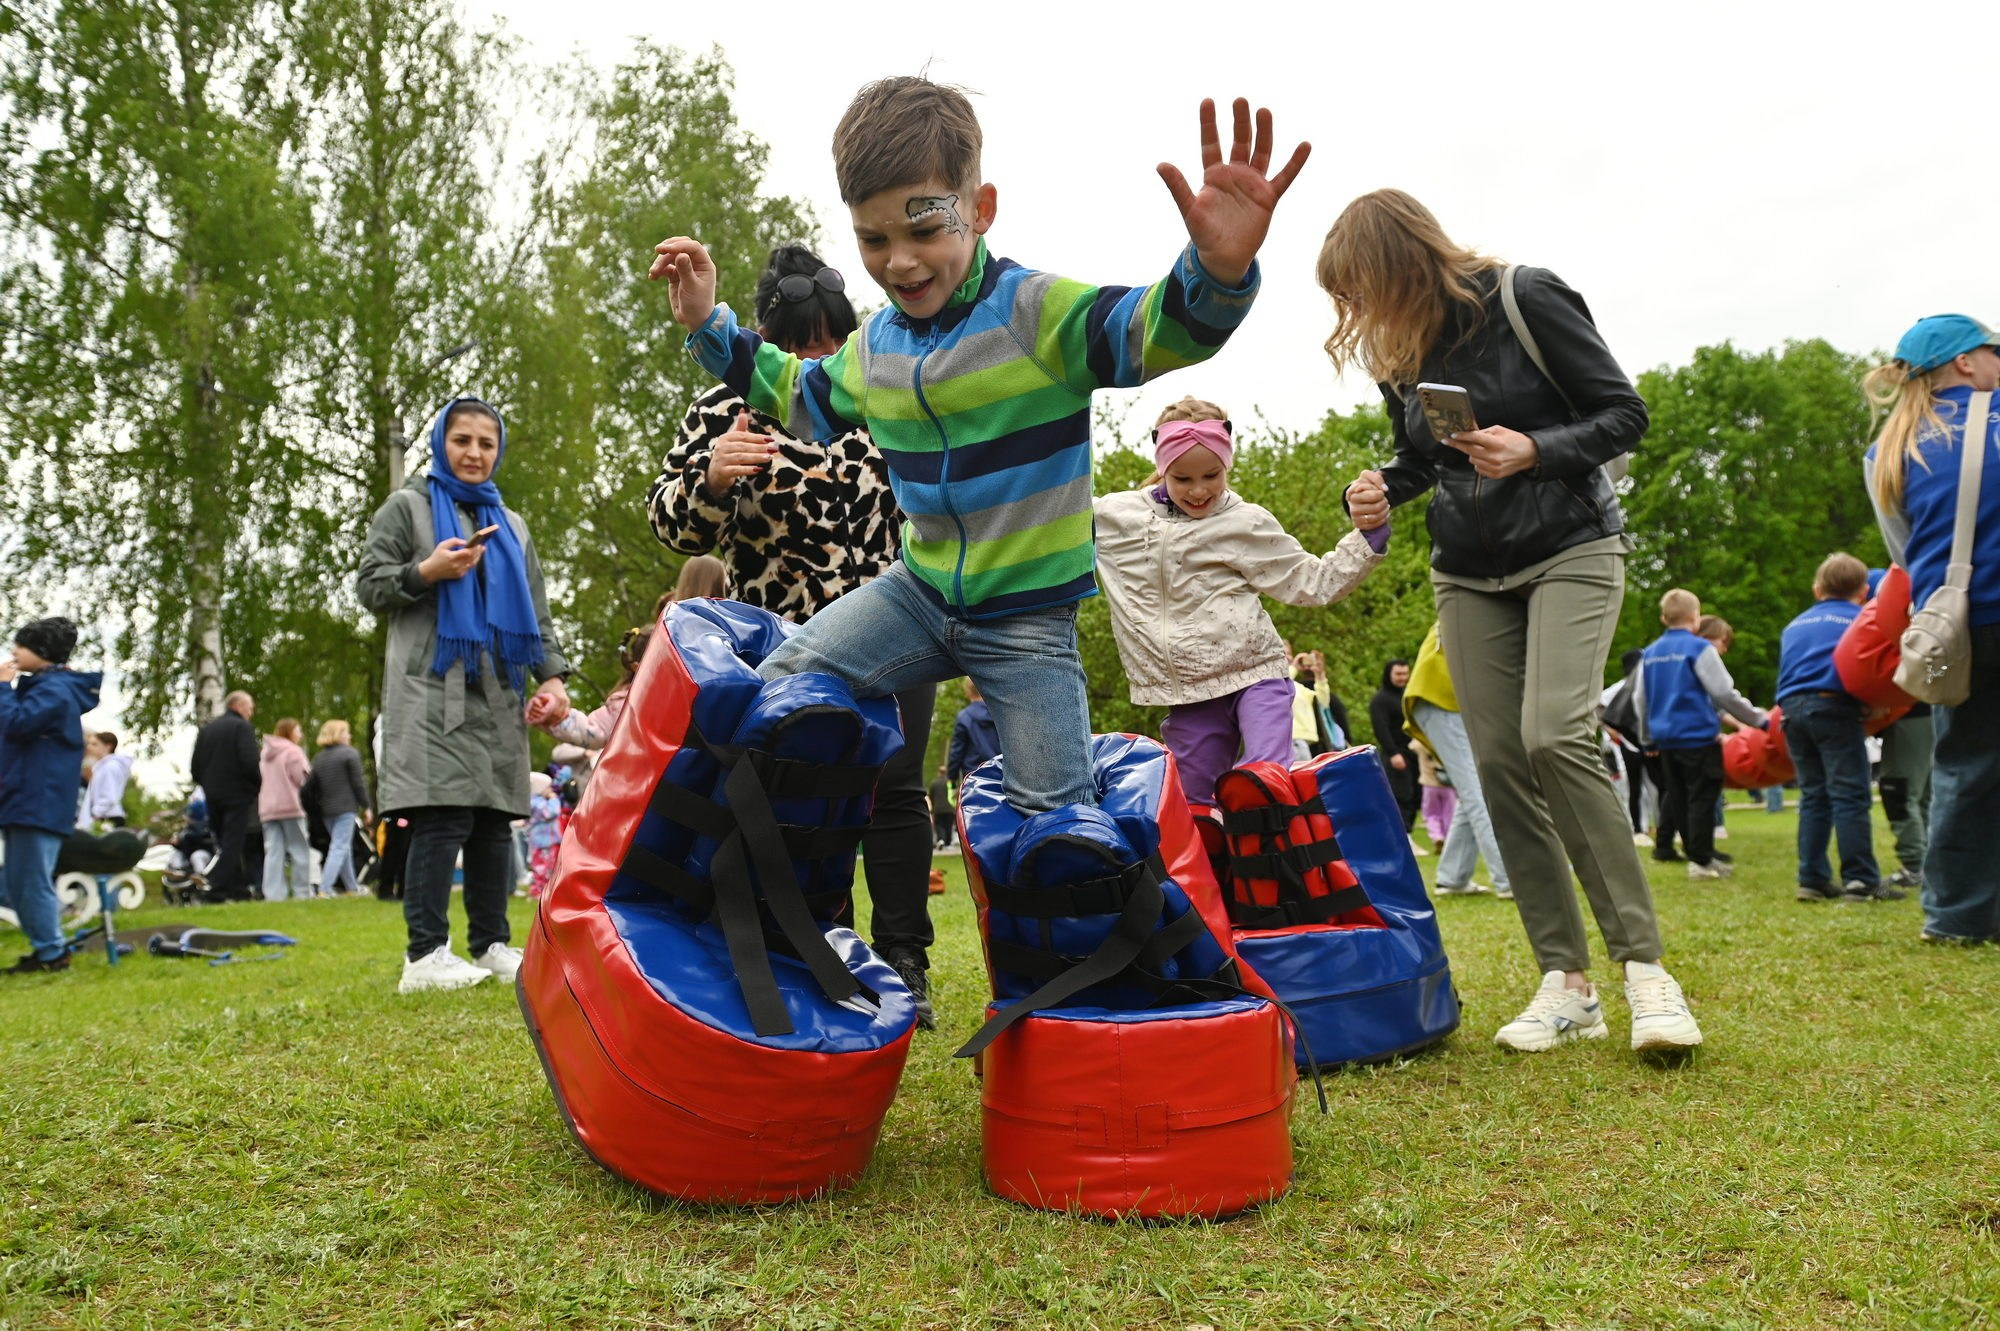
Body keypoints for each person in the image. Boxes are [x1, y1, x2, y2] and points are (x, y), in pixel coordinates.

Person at [649, 78, 1307, 824]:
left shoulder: (1036, 315)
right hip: (917, 596)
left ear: (980, 209)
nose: (899, 261)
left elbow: (1153, 328)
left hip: (1027, 621)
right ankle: (781, 894)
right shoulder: (877, 348)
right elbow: (800, 395)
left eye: (924, 229)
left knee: (1058, 818)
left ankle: (1073, 893)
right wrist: (710, 326)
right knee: (779, 685)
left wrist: (1217, 273)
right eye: (874, 238)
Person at [1327, 188, 1700, 1055]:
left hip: (1569, 542)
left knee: (1555, 734)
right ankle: (1566, 984)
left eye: (1359, 290)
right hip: (1466, 568)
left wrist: (1536, 449)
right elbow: (1424, 457)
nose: (1356, 314)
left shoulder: (1528, 297)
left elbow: (1626, 415)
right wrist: (1382, 485)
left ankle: (1646, 972)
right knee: (1495, 760)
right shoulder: (1399, 350)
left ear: (1401, 262)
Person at [645, 244, 941, 1022]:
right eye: (798, 343)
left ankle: (905, 958)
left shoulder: (879, 391)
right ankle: (812, 947)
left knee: (899, 789)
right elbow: (667, 521)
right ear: (768, 341)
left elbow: (938, 503)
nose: (815, 356)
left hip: (897, 620)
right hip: (786, 639)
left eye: (828, 339)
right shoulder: (725, 406)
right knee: (799, 800)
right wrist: (712, 477)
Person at [357, 396, 571, 994]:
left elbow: (539, 614)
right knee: (442, 815)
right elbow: (370, 585)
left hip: (499, 689)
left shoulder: (513, 524)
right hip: (431, 690)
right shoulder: (408, 508)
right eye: (462, 441)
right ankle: (424, 956)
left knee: (491, 819)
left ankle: (492, 944)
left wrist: (551, 679)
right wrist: (426, 573)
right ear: (439, 444)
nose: (474, 453)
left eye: (485, 442)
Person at [1093, 399, 1381, 806]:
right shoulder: (1115, 517)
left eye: (1212, 475)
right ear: (1161, 468)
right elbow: (1055, 523)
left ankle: (1278, 860)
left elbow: (1312, 582)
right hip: (1189, 692)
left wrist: (1367, 538)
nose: (1199, 490)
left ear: (1228, 465)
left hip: (1255, 675)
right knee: (1193, 804)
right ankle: (1215, 867)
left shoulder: (1244, 522)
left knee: (1263, 785)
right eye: (1182, 478)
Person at [1864, 315, 2000, 943]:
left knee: (1965, 766)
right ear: (1966, 364)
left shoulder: (1887, 449)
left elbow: (1903, 554)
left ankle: (1956, 917)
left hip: (1958, 629)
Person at [1774, 553, 1892, 905]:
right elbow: (1867, 669)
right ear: (1864, 591)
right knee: (1850, 795)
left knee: (1813, 795)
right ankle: (1860, 880)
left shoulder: (1794, 625)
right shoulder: (1863, 619)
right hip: (1834, 709)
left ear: (1817, 589)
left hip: (1791, 713)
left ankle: (1811, 879)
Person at [1634, 590, 1767, 882]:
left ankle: (1697, 856)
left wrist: (1647, 738)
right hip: (1697, 737)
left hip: (1666, 739)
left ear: (1663, 618)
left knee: (1679, 797)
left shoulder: (1651, 653)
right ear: (1695, 618)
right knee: (1703, 797)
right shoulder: (1698, 649)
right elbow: (1723, 693)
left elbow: (1640, 700)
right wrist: (1759, 720)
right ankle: (1702, 859)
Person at [0, 617, 99, 974]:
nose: (13, 652)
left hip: (37, 799)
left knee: (30, 881)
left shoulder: (54, 691)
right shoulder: (45, 687)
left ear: (40, 652)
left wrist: (2, 688)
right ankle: (47, 947)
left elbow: (17, 724)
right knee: (15, 882)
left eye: (20, 645)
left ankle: (52, 954)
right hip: (24, 798)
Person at [1403, 622, 1511, 899]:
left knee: (1473, 793)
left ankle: (1453, 877)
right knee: (1479, 793)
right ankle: (1509, 880)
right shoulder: (1476, 605)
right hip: (1440, 701)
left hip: (1445, 702)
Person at [189, 690, 261, 903]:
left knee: (224, 843)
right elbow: (250, 762)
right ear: (238, 706)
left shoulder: (207, 730)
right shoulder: (242, 727)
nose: (251, 712)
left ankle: (236, 888)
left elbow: (195, 767)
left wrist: (208, 785)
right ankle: (214, 886)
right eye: (250, 708)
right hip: (237, 794)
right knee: (233, 842)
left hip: (212, 795)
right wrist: (256, 786)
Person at [311, 719, 370, 896]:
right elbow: (358, 783)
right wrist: (366, 806)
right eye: (346, 732)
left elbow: (313, 785)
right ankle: (324, 888)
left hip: (326, 810)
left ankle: (352, 887)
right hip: (345, 807)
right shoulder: (349, 754)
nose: (349, 736)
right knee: (339, 847)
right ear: (338, 734)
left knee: (343, 847)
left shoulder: (319, 758)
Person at [257, 717, 313, 901]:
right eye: (298, 730)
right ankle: (302, 892)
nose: (300, 734)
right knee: (299, 850)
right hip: (290, 806)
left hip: (268, 808)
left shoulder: (265, 753)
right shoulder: (293, 752)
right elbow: (302, 779)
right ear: (289, 732)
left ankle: (273, 895)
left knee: (273, 852)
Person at [1369, 660, 1422, 841]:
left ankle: (1409, 834)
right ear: (1389, 674)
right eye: (1398, 674)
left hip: (1415, 753)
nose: (1402, 678)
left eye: (1405, 674)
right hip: (1396, 755)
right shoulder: (1380, 700)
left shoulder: (1408, 696)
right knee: (1401, 795)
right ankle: (1403, 837)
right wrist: (1393, 753)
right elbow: (1380, 728)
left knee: (1416, 795)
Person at [946, 680, 1000, 790]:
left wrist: (952, 778)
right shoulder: (1001, 715)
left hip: (973, 778)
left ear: (968, 693)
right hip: (1000, 775)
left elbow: (957, 752)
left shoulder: (964, 717)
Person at [79, 731, 132, 829]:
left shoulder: (109, 767)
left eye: (94, 744)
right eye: (89, 744)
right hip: (105, 817)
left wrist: (92, 816)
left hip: (106, 819)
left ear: (108, 746)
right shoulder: (102, 767)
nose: (89, 747)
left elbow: (109, 798)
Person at [525, 771, 562, 898]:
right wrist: (554, 799)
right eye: (548, 787)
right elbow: (551, 812)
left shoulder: (538, 801)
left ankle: (544, 890)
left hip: (548, 841)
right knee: (541, 867)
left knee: (549, 866)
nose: (550, 790)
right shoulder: (535, 802)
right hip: (541, 842)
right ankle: (537, 891)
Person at [929, 766, 954, 849]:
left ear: (938, 773)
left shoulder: (934, 783)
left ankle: (941, 840)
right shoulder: (950, 782)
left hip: (938, 809)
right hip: (950, 809)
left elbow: (931, 796)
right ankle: (948, 843)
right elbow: (954, 794)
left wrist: (932, 807)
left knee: (939, 825)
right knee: (948, 826)